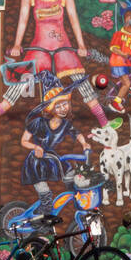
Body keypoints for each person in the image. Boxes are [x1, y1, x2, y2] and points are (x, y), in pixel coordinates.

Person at [2, 0, 109, 126]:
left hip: (63, 48)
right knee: (20, 83)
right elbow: (22, 21)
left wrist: (81, 46)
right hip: (39, 49)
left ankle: (104, 122)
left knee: (81, 82)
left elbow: (74, 21)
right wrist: (17, 45)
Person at [20, 87, 92, 216]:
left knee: (70, 173)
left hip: (52, 158)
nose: (63, 108)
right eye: (58, 106)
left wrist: (84, 143)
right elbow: (24, 141)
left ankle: (75, 196)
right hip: (36, 161)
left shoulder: (65, 124)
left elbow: (77, 134)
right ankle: (39, 220)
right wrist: (35, 147)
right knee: (46, 196)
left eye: (65, 104)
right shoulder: (38, 123)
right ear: (50, 109)